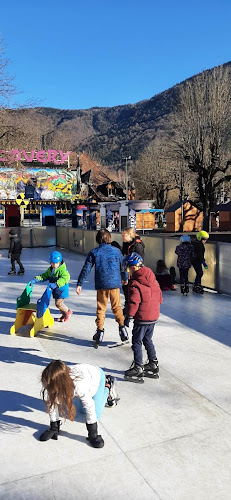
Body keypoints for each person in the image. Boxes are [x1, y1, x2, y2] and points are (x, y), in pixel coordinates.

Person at [39, 360, 117, 448]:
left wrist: (93, 434)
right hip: (85, 374)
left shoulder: (79, 386)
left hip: (97, 377)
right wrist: (54, 427)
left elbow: (90, 406)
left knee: (94, 413)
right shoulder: (53, 380)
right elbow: (52, 402)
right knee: (79, 405)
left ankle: (108, 385)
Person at [76, 229, 128, 346]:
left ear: (98, 239)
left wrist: (80, 283)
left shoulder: (94, 252)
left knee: (101, 308)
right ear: (109, 238)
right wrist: (125, 278)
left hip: (102, 284)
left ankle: (99, 331)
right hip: (115, 284)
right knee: (117, 307)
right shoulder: (116, 251)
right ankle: (122, 328)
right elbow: (123, 266)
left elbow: (86, 268)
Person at [123, 252, 162, 381]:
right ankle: (153, 363)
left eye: (128, 268)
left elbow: (134, 302)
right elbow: (160, 297)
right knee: (148, 339)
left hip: (142, 317)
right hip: (153, 316)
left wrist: (129, 316)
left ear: (134, 267)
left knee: (137, 342)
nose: (128, 271)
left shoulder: (135, 283)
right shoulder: (152, 278)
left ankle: (138, 366)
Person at [30, 251, 72, 322]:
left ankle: (68, 312)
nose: (54, 265)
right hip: (56, 290)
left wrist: (56, 284)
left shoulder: (62, 269)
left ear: (60, 262)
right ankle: (64, 315)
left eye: (56, 263)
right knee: (58, 304)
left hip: (62, 290)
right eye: (53, 263)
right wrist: (36, 279)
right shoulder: (50, 270)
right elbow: (44, 276)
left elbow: (65, 278)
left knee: (59, 304)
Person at [121, 227, 145, 311]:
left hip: (134, 270)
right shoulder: (126, 243)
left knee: (133, 289)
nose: (122, 237)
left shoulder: (137, 245)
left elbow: (140, 259)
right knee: (126, 287)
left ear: (130, 235)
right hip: (127, 269)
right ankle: (128, 304)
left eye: (124, 235)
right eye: (122, 235)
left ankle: (133, 307)